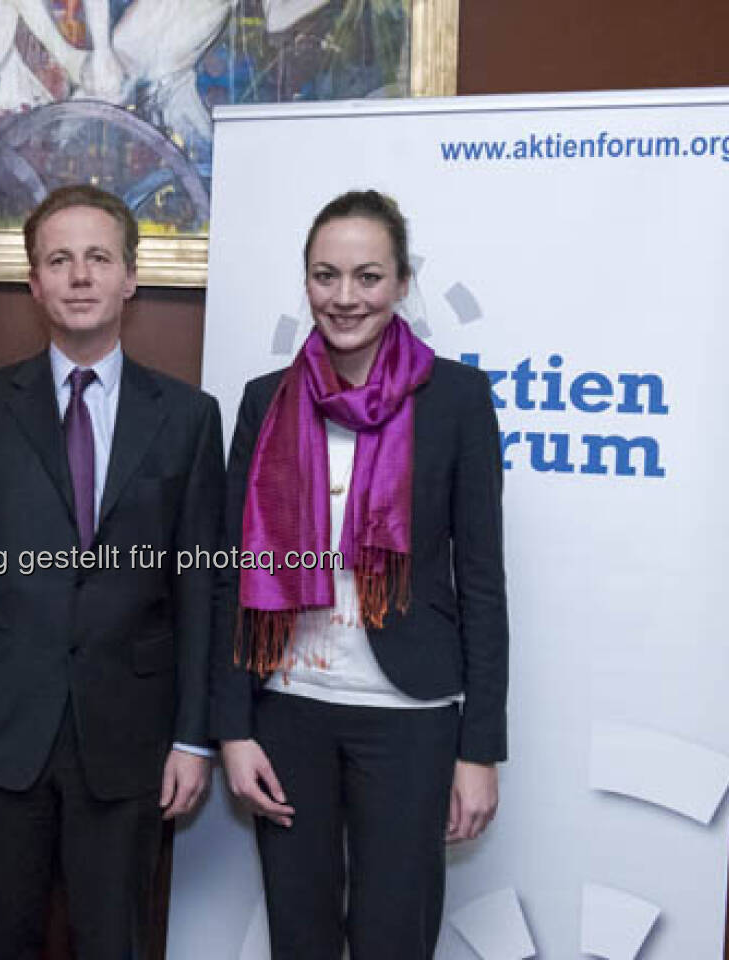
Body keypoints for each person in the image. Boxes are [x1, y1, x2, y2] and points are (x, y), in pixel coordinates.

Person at [0, 184, 224, 959]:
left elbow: (201, 589)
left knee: (114, 943)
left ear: (130, 278)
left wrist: (194, 738)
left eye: (98, 258)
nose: (79, 276)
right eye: (59, 259)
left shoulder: (188, 417)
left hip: (130, 741)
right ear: (35, 282)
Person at [213, 190, 508, 958]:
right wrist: (233, 729)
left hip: (410, 714)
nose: (345, 297)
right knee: (299, 937)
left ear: (402, 283)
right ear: (305, 280)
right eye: (326, 275)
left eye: (368, 276)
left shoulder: (456, 400)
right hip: (288, 710)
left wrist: (480, 751)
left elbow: (481, 581)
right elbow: (229, 575)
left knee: (394, 937)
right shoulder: (264, 401)